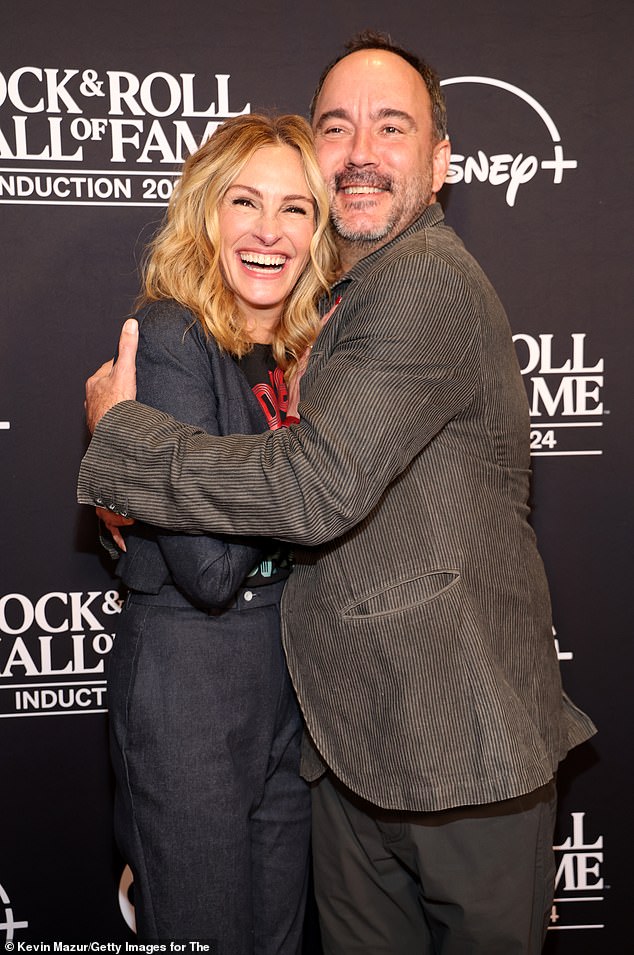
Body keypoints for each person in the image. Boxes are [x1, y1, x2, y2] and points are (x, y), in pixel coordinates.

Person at [79, 32, 596, 955]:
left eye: (391, 128)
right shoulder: (318, 315)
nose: (360, 151)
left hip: (456, 750)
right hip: (344, 752)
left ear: (440, 164)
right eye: (337, 126)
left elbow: (315, 486)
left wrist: (127, 445)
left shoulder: (422, 283)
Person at [95, 112, 336, 950]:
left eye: (297, 208)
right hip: (192, 680)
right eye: (246, 202)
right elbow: (205, 565)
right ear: (207, 214)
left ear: (318, 230)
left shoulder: (315, 350)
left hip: (289, 680)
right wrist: (303, 459)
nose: (270, 231)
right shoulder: (172, 335)